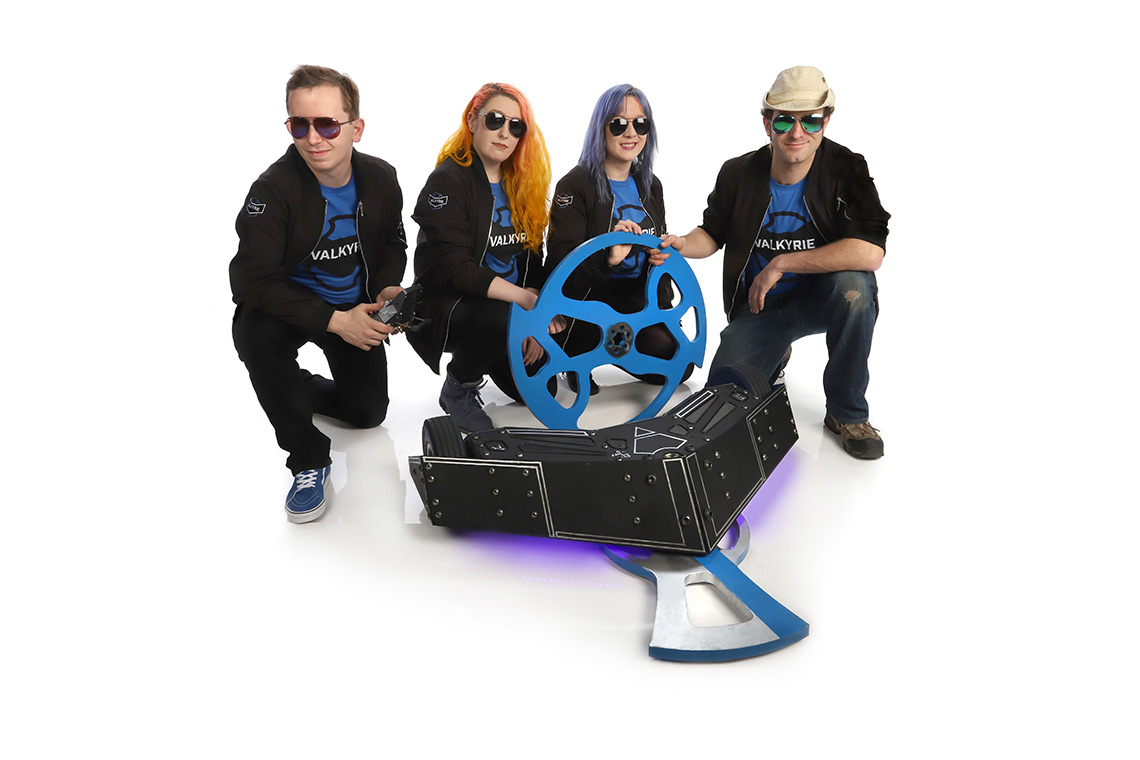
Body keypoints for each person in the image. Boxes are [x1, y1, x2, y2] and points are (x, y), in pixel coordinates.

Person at [660, 66, 890, 459]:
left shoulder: (847, 168)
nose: (796, 132)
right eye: (784, 120)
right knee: (721, 406)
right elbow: (712, 234)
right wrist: (681, 244)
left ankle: (847, 413)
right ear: (767, 123)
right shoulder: (737, 173)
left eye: (810, 120)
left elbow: (870, 252)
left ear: (825, 121)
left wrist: (781, 263)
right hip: (759, 307)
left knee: (854, 288)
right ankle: (774, 349)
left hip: (822, 297)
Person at [230, 65, 407, 522]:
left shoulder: (382, 178)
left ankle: (295, 387)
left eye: (327, 124)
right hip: (291, 308)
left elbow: (393, 243)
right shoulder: (272, 191)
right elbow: (249, 281)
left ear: (356, 128)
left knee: (368, 413)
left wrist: (387, 287)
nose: (313, 138)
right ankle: (308, 460)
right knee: (254, 332)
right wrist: (335, 321)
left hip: (353, 305)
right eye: (299, 125)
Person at [407, 82, 553, 432]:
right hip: (450, 306)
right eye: (495, 120)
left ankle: (494, 348)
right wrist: (524, 305)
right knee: (500, 317)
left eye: (516, 127)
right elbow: (455, 269)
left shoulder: (522, 182)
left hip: (509, 310)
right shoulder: (447, 181)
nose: (504, 133)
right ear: (473, 120)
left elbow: (535, 257)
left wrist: (533, 322)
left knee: (540, 389)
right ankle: (459, 387)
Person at [546, 84, 686, 396]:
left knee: (678, 365)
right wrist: (608, 258)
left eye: (640, 123)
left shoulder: (651, 185)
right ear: (601, 128)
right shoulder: (574, 186)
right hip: (588, 302)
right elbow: (558, 265)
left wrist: (662, 305)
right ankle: (578, 352)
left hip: (635, 299)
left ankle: (606, 350)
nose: (630, 132)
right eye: (619, 124)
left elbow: (657, 249)